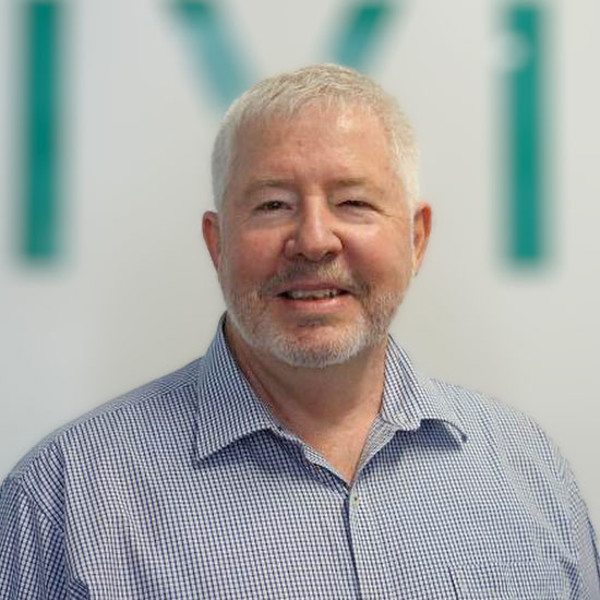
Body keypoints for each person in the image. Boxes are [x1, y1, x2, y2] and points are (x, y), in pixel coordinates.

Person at [1, 64, 599, 599]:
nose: (314, 241)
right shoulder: (62, 502)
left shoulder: (528, 469)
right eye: (273, 205)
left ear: (416, 239)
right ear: (217, 244)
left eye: (353, 203)